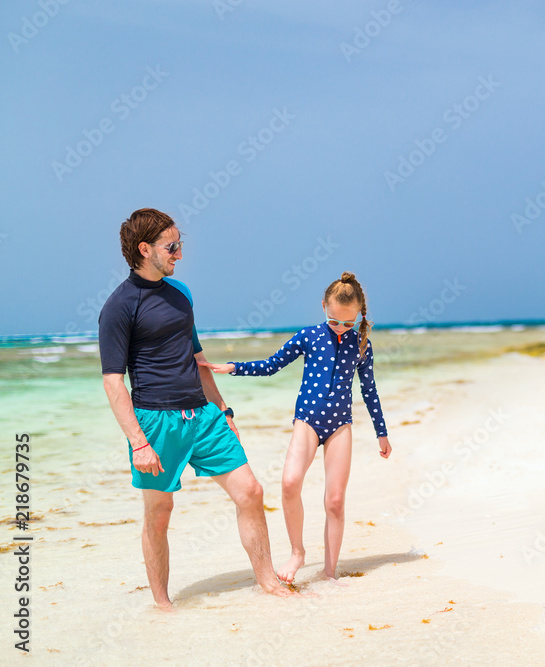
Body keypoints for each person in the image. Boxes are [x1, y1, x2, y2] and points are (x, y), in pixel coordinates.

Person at [99, 208, 299, 610]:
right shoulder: (119, 307)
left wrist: (223, 411)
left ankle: (267, 581)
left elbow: (197, 356)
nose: (179, 254)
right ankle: (162, 604)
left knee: (251, 491)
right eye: (171, 247)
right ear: (145, 249)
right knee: (159, 512)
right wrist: (138, 442)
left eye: (179, 246)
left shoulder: (181, 295)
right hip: (155, 422)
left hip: (203, 415)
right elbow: (113, 381)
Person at [200, 272, 392, 584]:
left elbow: (369, 390)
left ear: (359, 316)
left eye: (348, 323)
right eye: (334, 321)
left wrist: (380, 432)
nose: (341, 329)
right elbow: (272, 364)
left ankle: (329, 572)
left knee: (335, 501)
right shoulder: (309, 336)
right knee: (289, 483)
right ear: (323, 308)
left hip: (340, 425)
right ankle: (297, 552)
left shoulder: (361, 346)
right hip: (307, 420)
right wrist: (235, 368)